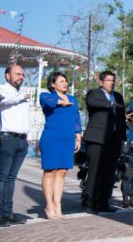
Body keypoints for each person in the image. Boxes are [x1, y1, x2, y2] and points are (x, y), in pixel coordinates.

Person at [39, 72, 82, 219]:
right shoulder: (46, 96)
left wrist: (78, 136)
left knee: (62, 171)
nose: (65, 84)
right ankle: (49, 205)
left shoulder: (73, 99)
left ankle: (58, 205)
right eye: (61, 81)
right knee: (50, 171)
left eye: (66, 81)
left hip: (68, 139)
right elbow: (49, 103)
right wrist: (61, 102)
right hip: (51, 138)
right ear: (53, 84)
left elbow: (76, 118)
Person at [83, 71, 126, 214]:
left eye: (113, 80)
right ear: (101, 82)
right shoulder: (93, 93)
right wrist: (111, 104)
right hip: (97, 139)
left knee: (109, 174)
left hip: (114, 140)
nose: (111, 83)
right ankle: (90, 202)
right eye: (108, 80)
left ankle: (104, 202)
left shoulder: (118, 96)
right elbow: (93, 104)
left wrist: (122, 139)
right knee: (95, 172)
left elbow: (121, 119)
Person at [0, 64, 30, 227]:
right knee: (2, 177)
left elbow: (24, 117)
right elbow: (2, 102)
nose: (21, 77)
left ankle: (8, 212)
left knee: (11, 178)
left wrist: (28, 135)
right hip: (7, 138)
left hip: (21, 140)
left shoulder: (21, 94)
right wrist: (20, 98)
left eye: (22, 74)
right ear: (7, 76)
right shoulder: (1, 90)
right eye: (17, 74)